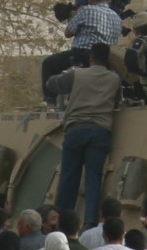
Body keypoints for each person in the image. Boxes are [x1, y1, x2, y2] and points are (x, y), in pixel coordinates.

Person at [46, 45, 119, 229]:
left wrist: (69, 72)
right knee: (94, 179)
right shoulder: (114, 79)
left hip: (76, 129)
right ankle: (90, 222)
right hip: (101, 131)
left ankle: (62, 220)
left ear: (91, 58)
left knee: (69, 176)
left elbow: (51, 83)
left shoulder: (77, 74)